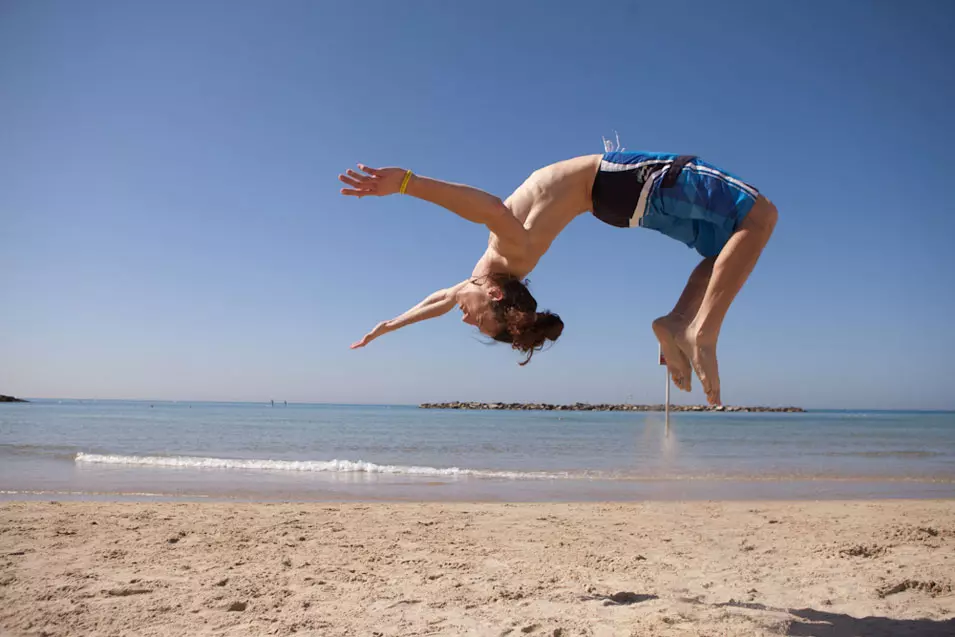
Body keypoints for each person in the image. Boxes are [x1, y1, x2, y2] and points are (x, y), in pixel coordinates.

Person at [338, 143, 777, 406]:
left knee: (725, 252)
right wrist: (406, 183)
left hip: (620, 203)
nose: (464, 317)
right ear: (493, 293)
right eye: (478, 318)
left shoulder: (488, 274)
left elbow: (438, 303)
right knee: (761, 215)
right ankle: (704, 332)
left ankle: (678, 321)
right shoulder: (511, 252)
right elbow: (491, 209)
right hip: (618, 183)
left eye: (472, 320)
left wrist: (387, 326)